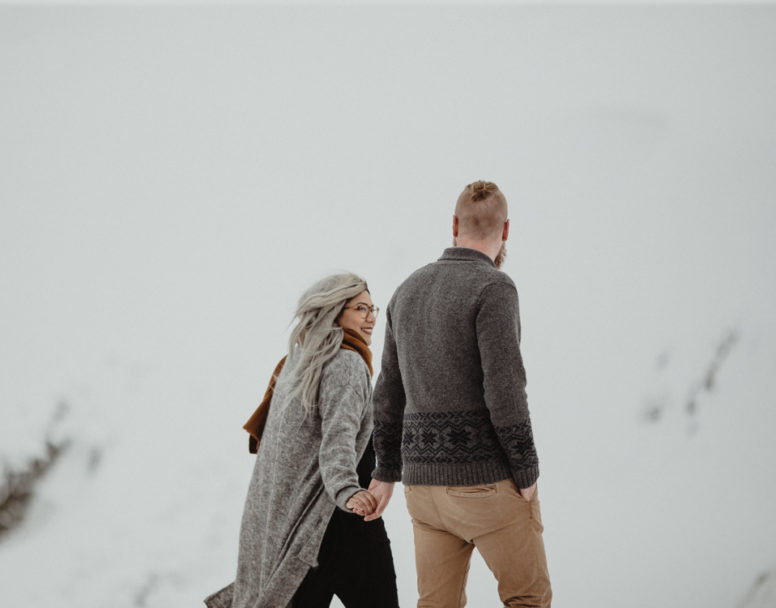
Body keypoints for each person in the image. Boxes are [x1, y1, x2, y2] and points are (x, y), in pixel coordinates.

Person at [367, 181, 552, 607]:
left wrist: (386, 471)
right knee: (528, 599)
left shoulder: (406, 290)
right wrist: (526, 470)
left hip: (422, 490)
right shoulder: (494, 288)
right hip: (483, 483)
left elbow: (387, 392)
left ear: (453, 225)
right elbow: (505, 389)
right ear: (506, 231)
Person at [204, 274, 399, 608]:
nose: (371, 317)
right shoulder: (347, 364)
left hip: (302, 532)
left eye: (373, 308)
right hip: (343, 520)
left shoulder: (297, 363)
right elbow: (336, 444)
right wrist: (348, 492)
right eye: (361, 308)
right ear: (335, 311)